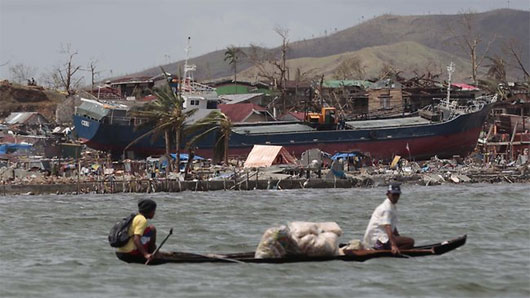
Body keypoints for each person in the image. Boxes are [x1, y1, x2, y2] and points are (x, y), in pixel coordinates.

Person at [362, 183, 414, 255]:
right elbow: (387, 226)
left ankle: (392, 249)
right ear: (388, 194)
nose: (395, 197)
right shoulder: (386, 208)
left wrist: (398, 237)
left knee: (403, 240)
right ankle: (392, 251)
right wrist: (394, 245)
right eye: (393, 195)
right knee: (410, 242)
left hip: (382, 238)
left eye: (397, 195)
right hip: (379, 240)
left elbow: (392, 226)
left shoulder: (391, 206)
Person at [115, 199, 158, 263]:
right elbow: (136, 239)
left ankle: (152, 252)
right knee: (152, 229)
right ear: (148, 211)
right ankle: (151, 253)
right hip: (130, 253)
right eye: (153, 210)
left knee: (149, 229)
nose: (154, 213)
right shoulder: (142, 220)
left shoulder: (135, 216)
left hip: (120, 251)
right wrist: (145, 254)